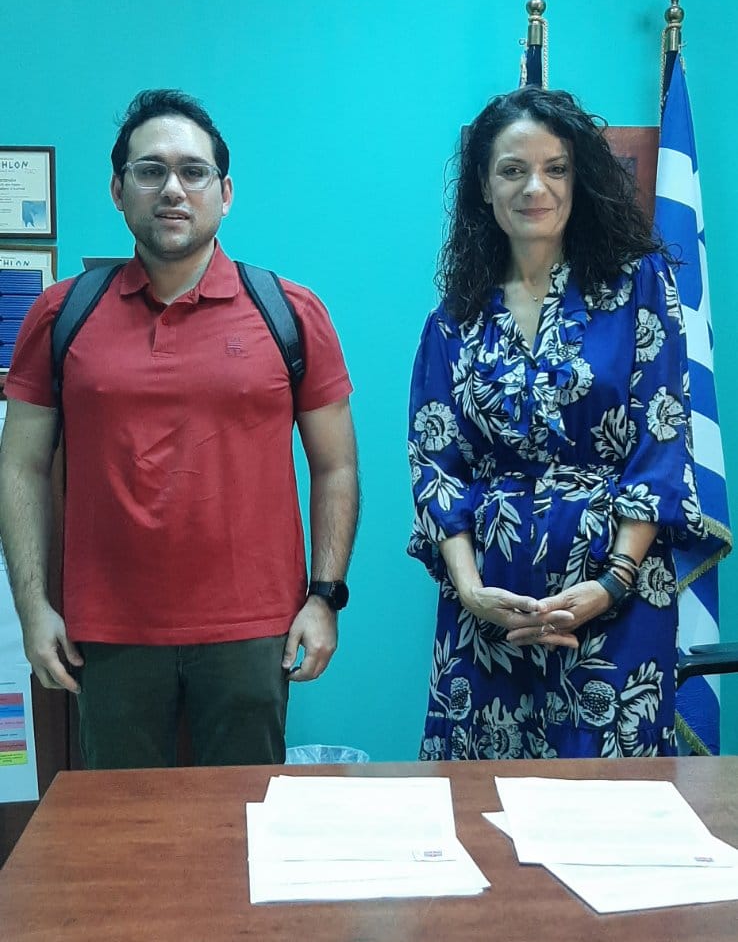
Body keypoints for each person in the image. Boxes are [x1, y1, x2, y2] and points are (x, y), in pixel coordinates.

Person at [0, 89, 359, 768]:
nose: (172, 188)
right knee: (125, 824)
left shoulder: (289, 312)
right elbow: (19, 465)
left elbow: (336, 465)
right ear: (118, 190)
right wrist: (32, 607)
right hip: (107, 633)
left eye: (193, 172)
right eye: (150, 170)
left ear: (225, 193)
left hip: (254, 630)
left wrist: (325, 597)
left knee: (244, 819)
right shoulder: (59, 315)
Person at [408, 86, 703, 760]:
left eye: (555, 168)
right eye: (512, 170)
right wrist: (472, 591)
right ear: (484, 187)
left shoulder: (639, 289)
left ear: (578, 180)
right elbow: (435, 469)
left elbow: (660, 445)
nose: (534, 187)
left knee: (610, 804)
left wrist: (612, 583)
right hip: (488, 619)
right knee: (483, 803)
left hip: (616, 605)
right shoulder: (453, 322)